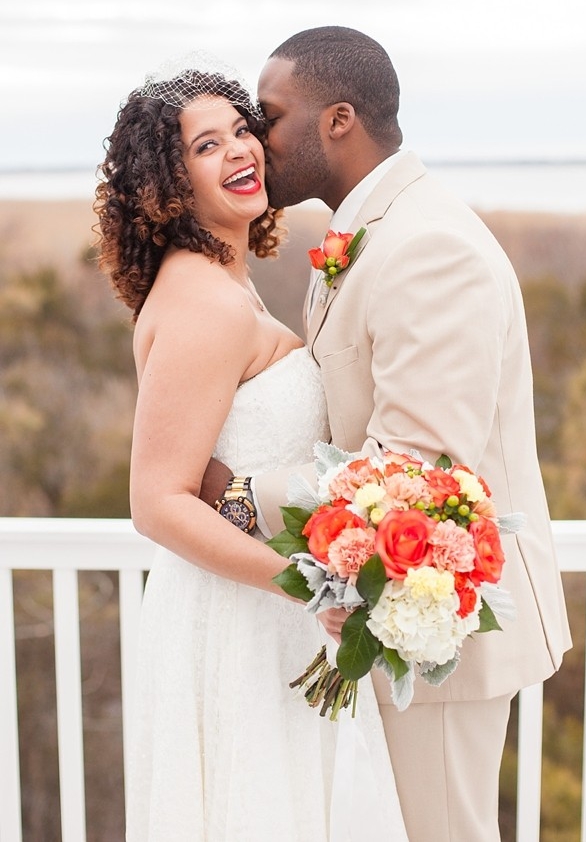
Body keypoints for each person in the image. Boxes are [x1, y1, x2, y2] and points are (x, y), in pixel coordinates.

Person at [202, 27, 572, 842]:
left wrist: (234, 496)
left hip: (443, 629)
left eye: (270, 114)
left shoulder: (427, 246)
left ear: (339, 120)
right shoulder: (373, 234)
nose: (257, 138)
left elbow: (415, 470)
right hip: (386, 612)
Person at [93, 53, 408, 842]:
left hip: (259, 603)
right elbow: (157, 503)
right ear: (167, 184)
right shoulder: (204, 301)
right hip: (238, 614)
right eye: (205, 146)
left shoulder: (223, 283)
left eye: (242, 130)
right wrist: (308, 587)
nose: (239, 150)